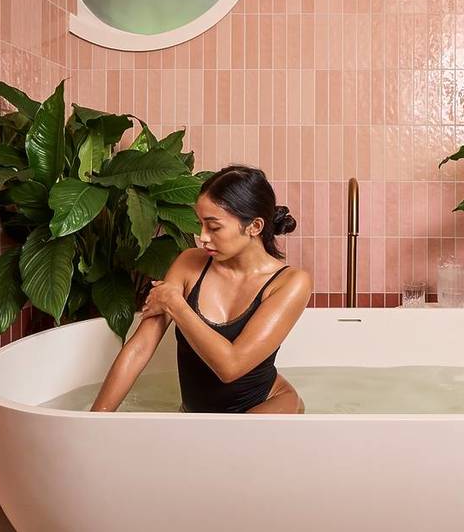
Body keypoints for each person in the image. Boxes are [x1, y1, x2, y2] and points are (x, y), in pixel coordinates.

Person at [90, 165, 312, 414]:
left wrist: (176, 305)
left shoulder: (290, 282)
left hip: (267, 407)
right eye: (200, 224)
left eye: (214, 227)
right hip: (199, 417)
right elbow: (141, 347)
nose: (202, 236)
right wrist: (95, 419)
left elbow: (231, 367)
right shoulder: (189, 263)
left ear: (255, 226)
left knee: (235, 438)